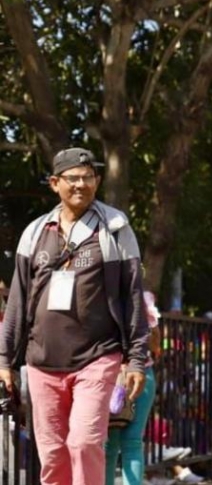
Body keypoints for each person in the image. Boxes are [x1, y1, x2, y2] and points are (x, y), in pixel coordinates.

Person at [0, 147, 150, 485]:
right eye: (73, 178)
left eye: (88, 177)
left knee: (83, 443)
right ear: (55, 183)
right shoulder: (36, 232)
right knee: (52, 454)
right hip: (42, 363)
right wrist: (4, 361)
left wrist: (137, 359)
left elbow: (133, 296)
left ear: (96, 181)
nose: (81, 184)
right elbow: (17, 302)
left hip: (97, 357)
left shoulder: (114, 228)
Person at [104, 291, 164, 485]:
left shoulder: (104, 296)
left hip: (116, 377)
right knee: (131, 443)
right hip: (143, 374)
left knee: (110, 443)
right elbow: (156, 345)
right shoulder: (144, 299)